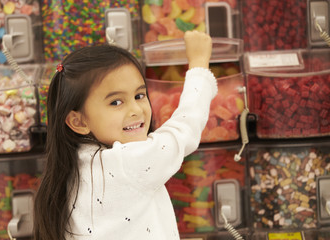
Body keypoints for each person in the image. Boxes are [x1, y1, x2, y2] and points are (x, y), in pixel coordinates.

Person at [34, 30, 218, 240]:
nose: (136, 110)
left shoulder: (73, 162)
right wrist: (199, 63)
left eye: (139, 95)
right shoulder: (128, 162)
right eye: (116, 102)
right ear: (78, 121)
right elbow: (185, 127)